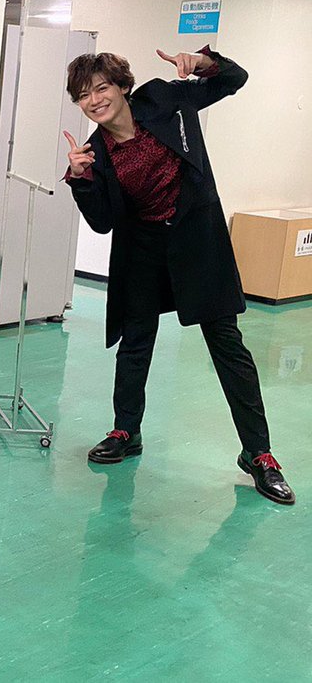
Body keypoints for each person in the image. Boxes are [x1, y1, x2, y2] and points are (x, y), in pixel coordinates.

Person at [63, 46, 294, 505]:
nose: (94, 100)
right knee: (135, 342)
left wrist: (206, 64)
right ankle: (126, 430)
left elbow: (234, 79)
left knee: (227, 346)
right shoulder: (94, 152)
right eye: (83, 95)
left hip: (197, 238)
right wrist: (81, 179)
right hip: (143, 250)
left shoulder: (163, 99)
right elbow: (103, 222)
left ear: (122, 87)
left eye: (102, 88)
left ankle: (259, 454)